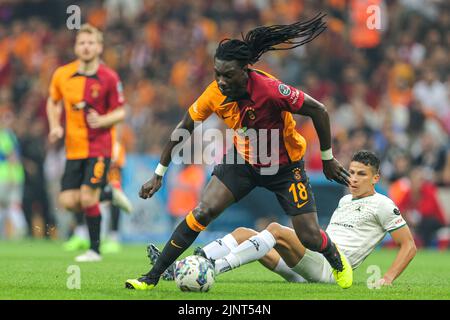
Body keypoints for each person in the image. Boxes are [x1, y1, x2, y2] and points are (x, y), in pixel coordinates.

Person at [126, 14, 353, 290]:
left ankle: (336, 258)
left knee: (309, 237)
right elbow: (184, 127)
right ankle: (151, 277)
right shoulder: (214, 94)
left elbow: (319, 110)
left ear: (245, 70)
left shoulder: (270, 90)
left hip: (285, 166)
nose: (221, 81)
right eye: (217, 74)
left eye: (228, 75)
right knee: (202, 211)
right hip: (242, 161)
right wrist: (158, 173)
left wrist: (327, 158)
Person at [149, 151, 417, 286]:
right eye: (353, 172)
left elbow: (409, 245)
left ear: (376, 179)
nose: (354, 178)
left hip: (330, 270)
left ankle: (209, 271)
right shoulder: (346, 199)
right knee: (244, 232)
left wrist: (388, 278)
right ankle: (178, 268)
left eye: (362, 174)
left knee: (275, 229)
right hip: (308, 266)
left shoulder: (383, 204)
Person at [46, 24, 126, 262]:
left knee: (88, 198)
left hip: (99, 147)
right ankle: (109, 194)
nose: (86, 47)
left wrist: (102, 120)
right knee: (68, 201)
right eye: (82, 42)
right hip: (73, 148)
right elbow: (53, 101)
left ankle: (94, 250)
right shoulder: (62, 74)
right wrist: (55, 126)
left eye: (91, 43)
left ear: (99, 47)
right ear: (76, 47)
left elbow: (120, 112)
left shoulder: (109, 77)